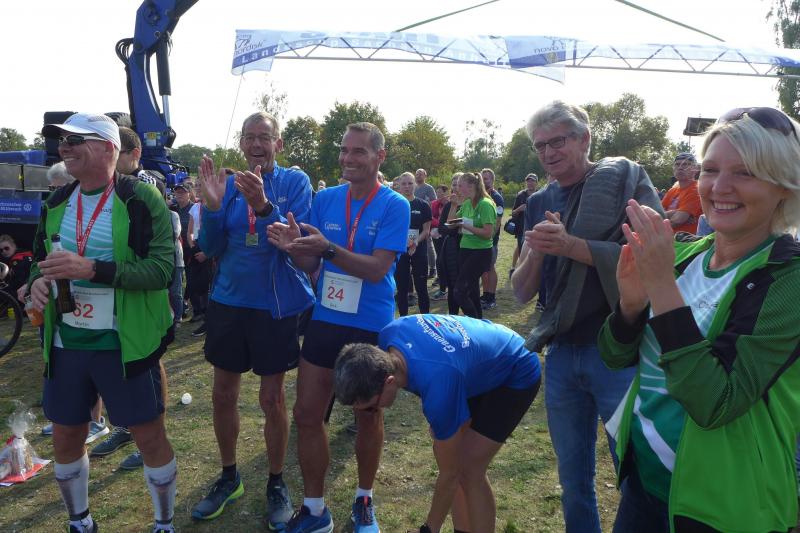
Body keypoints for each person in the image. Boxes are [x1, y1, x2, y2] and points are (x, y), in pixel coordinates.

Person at [599, 106, 800, 533]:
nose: (719, 187)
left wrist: (661, 287)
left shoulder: (789, 278)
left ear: (784, 186)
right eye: (710, 170)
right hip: (645, 484)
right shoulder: (684, 256)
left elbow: (715, 402)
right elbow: (615, 357)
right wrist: (630, 306)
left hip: (722, 503)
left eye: (745, 172)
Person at [511, 100, 662, 533]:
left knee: (637, 473)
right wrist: (540, 249)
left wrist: (572, 246)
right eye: (540, 145)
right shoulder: (539, 201)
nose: (548, 152)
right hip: (561, 353)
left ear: (585, 139)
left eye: (557, 141)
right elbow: (521, 291)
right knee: (573, 481)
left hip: (619, 353)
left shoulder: (625, 182)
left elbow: (655, 256)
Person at [33, 112, 176, 533]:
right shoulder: (56, 202)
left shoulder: (140, 199)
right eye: (62, 140)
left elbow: (162, 271)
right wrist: (35, 283)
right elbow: (40, 262)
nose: (65, 147)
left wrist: (92, 269)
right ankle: (80, 521)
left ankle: (164, 523)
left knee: (148, 436)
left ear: (109, 148)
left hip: (125, 344)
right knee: (65, 436)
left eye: (76, 140)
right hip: (66, 343)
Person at [268, 122, 409, 533]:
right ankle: (315, 509)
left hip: (370, 325)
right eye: (344, 150)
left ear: (379, 156)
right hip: (326, 319)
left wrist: (328, 248)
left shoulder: (395, 204)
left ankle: (364, 499)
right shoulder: (327, 198)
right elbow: (311, 263)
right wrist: (293, 248)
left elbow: (378, 268)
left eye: (358, 151)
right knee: (307, 414)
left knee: (368, 415)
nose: (348, 158)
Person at [190, 111, 315, 528]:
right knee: (222, 395)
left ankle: (276, 481)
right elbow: (210, 247)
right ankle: (229, 477)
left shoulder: (295, 182)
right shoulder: (228, 184)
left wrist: (262, 205)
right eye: (250, 137)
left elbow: (294, 241)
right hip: (229, 301)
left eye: (265, 137)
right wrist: (211, 208)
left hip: (273, 306)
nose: (257, 144)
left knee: (271, 399)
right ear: (241, 143)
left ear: (279, 143)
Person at [333, 314, 541, 533]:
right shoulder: (388, 337)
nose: (372, 413)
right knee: (450, 454)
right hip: (470, 366)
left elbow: (450, 474)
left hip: (516, 368)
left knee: (468, 468)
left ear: (390, 382)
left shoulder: (438, 384)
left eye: (371, 408)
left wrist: (429, 529)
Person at [87, 127, 174, 472]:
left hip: (146, 288)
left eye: (116, 151)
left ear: (133, 154)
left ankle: (153, 430)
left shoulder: (146, 183)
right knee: (114, 357)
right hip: (108, 295)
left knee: (149, 359)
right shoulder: (95, 189)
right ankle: (125, 426)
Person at [446, 172, 495, 319]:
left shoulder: (485, 204)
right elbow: (450, 224)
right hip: (465, 250)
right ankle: (478, 321)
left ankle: (473, 320)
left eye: (460, 185)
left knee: (459, 292)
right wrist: (454, 205)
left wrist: (465, 226)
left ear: (471, 186)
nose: (457, 189)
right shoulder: (467, 203)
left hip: (480, 252)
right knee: (472, 291)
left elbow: (488, 233)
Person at [394, 172, 432, 316]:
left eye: (410, 183)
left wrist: (415, 242)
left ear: (415, 185)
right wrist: (402, 241)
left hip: (419, 249)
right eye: (404, 184)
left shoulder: (423, 205)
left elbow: (426, 230)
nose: (407, 186)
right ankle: (403, 319)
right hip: (400, 250)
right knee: (402, 288)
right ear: (399, 186)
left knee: (421, 286)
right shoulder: (394, 205)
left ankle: (425, 319)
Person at [437, 174, 464, 312]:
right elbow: (442, 228)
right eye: (454, 185)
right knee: (452, 283)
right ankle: (453, 314)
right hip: (452, 247)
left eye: (459, 184)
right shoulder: (449, 205)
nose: (456, 188)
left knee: (466, 284)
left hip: (468, 247)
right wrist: (455, 227)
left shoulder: (472, 204)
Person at [479, 168, 504, 310]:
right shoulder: (481, 195)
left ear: (492, 180)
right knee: (484, 269)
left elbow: (498, 222)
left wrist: (489, 237)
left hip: (490, 241)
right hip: (481, 240)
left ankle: (492, 297)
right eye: (482, 178)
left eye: (486, 178)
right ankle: (485, 295)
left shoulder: (496, 197)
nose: (483, 181)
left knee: (490, 268)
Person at [661, 152, 702, 234]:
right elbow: (658, 211)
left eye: (685, 164)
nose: (680, 167)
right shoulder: (672, 190)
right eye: (677, 164)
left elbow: (677, 221)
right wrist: (676, 212)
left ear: (695, 169)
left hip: (684, 240)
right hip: (667, 236)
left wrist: (663, 215)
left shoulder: (696, 190)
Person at [509, 173, 538, 276]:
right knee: (522, 250)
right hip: (522, 229)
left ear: (536, 183)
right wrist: (519, 209)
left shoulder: (541, 195)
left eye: (532, 181)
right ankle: (518, 271)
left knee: (535, 251)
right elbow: (513, 213)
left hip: (536, 229)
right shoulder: (521, 195)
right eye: (528, 181)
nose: (530, 183)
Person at [414, 168, 437, 278]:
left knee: (428, 243)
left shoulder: (428, 188)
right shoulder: (413, 187)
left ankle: (432, 268)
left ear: (425, 176)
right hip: (414, 218)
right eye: (417, 174)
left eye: (420, 174)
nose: (418, 176)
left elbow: (433, 202)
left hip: (424, 218)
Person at [430, 184, 449, 299]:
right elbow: (430, 218)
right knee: (440, 259)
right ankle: (442, 285)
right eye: (437, 193)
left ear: (447, 193)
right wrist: (439, 225)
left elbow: (451, 221)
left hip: (448, 234)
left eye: (441, 193)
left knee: (447, 260)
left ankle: (447, 287)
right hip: (436, 235)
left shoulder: (451, 204)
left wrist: (440, 225)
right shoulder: (433, 204)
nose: (439, 195)